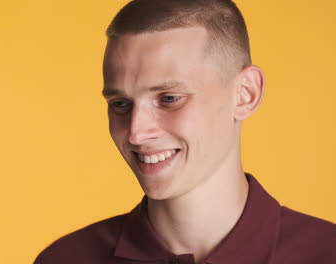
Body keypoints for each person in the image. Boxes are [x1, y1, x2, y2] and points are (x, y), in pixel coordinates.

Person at [34, 0, 336, 263]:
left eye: (169, 99)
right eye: (121, 104)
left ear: (245, 93)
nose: (136, 133)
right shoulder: (66, 258)